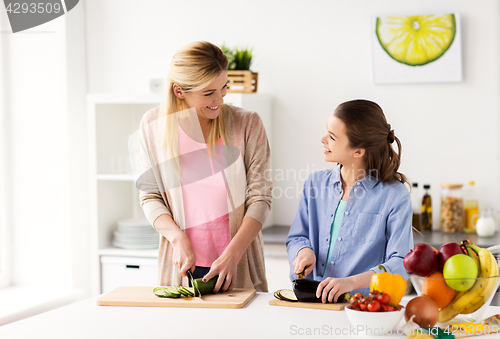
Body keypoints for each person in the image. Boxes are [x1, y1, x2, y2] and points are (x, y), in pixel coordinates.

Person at [134, 41, 272, 293]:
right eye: (208, 93)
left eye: (224, 87)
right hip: (181, 266)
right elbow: (150, 196)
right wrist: (177, 238)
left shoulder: (247, 124)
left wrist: (233, 254)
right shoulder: (153, 125)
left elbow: (260, 198)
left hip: (237, 262)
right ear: (179, 91)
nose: (220, 99)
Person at [286, 99, 413, 303]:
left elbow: (400, 264)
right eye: (327, 132)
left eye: (332, 137)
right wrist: (304, 252)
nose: (322, 139)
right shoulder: (315, 184)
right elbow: (297, 237)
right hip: (310, 301)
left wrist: (350, 282)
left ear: (358, 151)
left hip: (362, 307)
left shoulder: (394, 196)